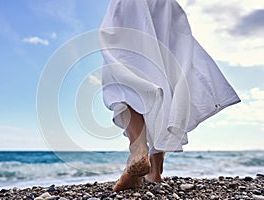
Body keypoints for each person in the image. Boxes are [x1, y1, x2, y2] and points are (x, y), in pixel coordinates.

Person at [99, 0, 240, 191]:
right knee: (165, 72)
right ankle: (155, 171)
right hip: (165, 7)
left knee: (125, 69)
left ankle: (138, 149)